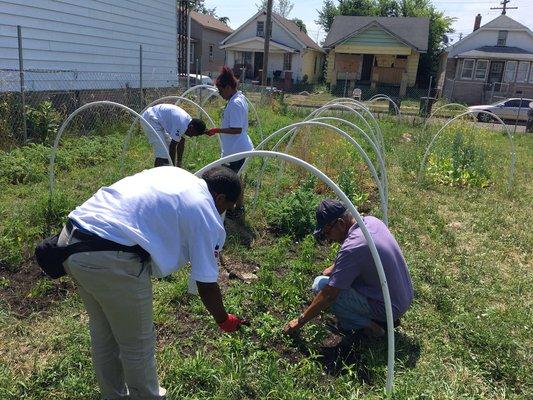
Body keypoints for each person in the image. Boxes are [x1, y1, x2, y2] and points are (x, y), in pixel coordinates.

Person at [58, 166, 246, 400]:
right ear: (219, 198)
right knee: (137, 346)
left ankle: (114, 395)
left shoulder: (178, 175)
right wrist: (223, 319)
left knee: (103, 332)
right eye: (227, 208)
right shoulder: (205, 211)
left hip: (71, 241)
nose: (223, 213)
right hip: (109, 259)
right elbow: (206, 284)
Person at [283, 199, 413, 338]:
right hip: (403, 297)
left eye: (327, 232)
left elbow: (329, 295)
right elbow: (363, 255)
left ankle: (372, 327)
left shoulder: (353, 248)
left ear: (340, 223)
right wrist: (335, 267)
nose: (328, 238)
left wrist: (300, 320)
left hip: (388, 307)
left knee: (320, 285)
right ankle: (379, 317)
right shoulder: (371, 221)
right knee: (334, 280)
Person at [206, 66, 254, 219]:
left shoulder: (235, 103)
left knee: (232, 181)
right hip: (235, 149)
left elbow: (237, 129)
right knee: (236, 179)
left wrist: (217, 130)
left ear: (228, 87)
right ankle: (237, 209)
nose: (220, 94)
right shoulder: (237, 99)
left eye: (221, 91)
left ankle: (234, 209)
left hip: (237, 151)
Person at [141, 103, 206, 167]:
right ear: (191, 127)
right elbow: (173, 146)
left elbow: (181, 141)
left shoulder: (188, 122)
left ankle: (166, 172)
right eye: (193, 134)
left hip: (157, 119)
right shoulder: (182, 123)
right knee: (163, 153)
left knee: (167, 150)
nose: (191, 136)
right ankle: (158, 176)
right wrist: (173, 168)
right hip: (150, 118)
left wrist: (179, 163)